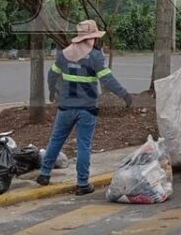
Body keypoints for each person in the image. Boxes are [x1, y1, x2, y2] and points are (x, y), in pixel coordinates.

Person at [36, 20, 133, 195]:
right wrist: (124, 94)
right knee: (83, 146)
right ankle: (82, 184)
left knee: (56, 140)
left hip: (65, 107)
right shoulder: (95, 57)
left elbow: (52, 74)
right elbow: (107, 80)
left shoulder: (64, 54)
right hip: (87, 109)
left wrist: (53, 91)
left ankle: (44, 174)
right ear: (91, 39)